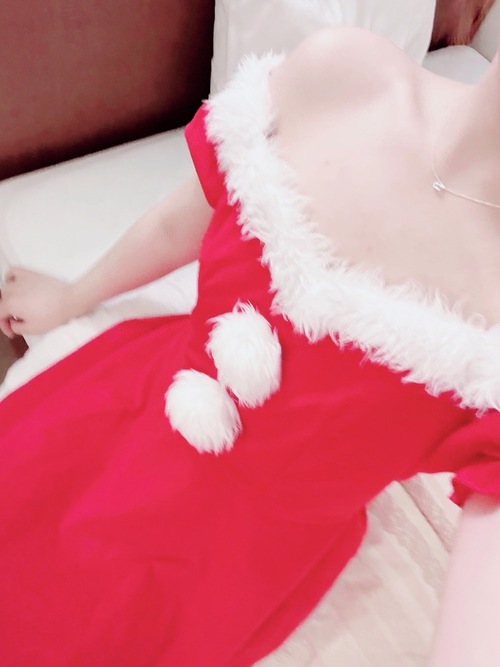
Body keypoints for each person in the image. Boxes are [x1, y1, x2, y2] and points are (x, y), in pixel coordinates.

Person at [1, 25, 500, 667]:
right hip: (132, 405)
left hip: (243, 554)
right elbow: (192, 214)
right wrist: (73, 295)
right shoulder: (344, 73)